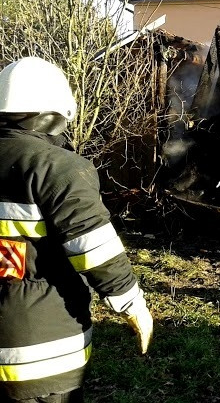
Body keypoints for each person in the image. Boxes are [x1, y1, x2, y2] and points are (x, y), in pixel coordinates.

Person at [0, 57, 153, 402]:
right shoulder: (56, 168)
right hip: (37, 355)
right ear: (55, 114)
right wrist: (132, 304)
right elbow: (94, 248)